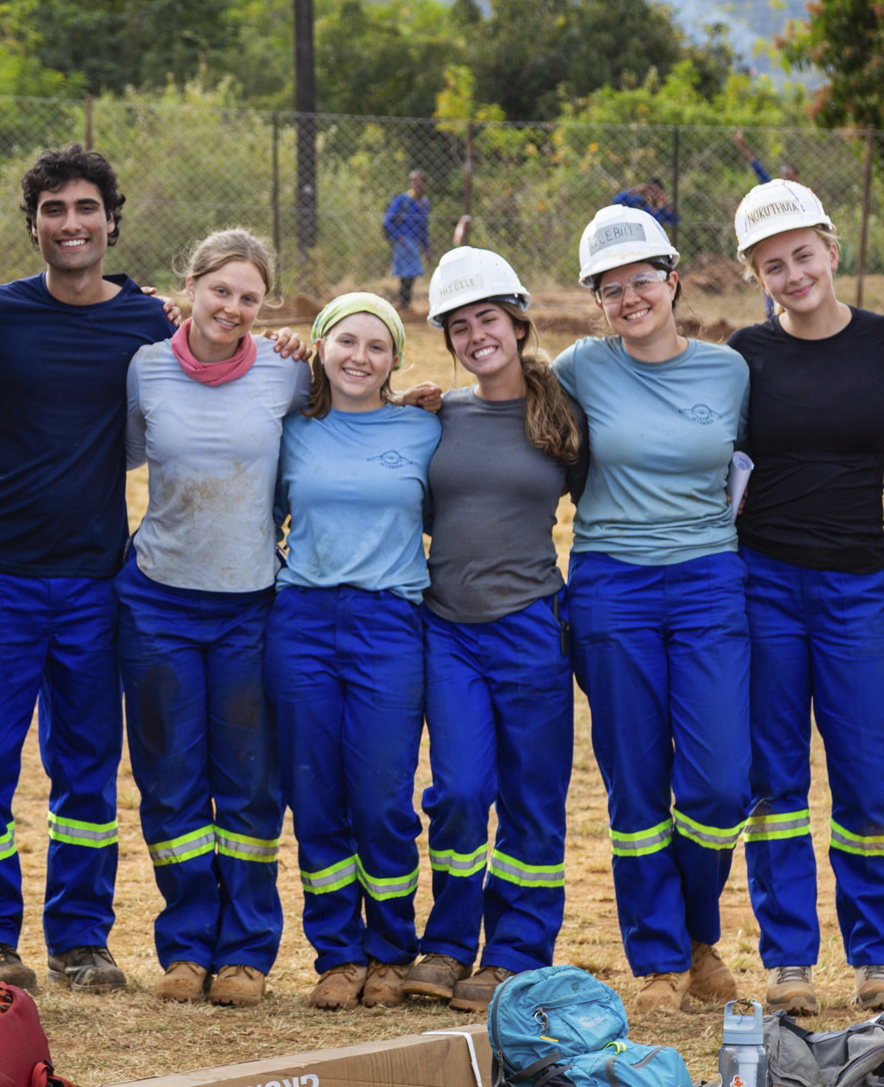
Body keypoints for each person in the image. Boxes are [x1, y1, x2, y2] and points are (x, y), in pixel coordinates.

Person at [0, 145, 178, 994]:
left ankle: (82, 939)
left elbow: (225, 364)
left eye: (86, 208)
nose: (71, 223)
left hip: (95, 578)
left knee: (86, 763)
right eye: (53, 210)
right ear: (33, 225)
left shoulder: (150, 322)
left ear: (111, 221)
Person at [725, 181, 884, 1016]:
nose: (794, 272)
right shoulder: (745, 353)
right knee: (773, 779)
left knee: (871, 775)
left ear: (832, 249)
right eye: (774, 263)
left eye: (805, 253)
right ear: (756, 274)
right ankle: (789, 961)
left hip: (854, 588)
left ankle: (879, 953)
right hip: (762, 581)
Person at [555, 206, 751, 1014]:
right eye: (612, 286)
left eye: (643, 279)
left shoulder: (728, 371)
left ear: (674, 279)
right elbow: (503, 403)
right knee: (635, 781)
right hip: (611, 583)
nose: (630, 296)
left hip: (708, 577)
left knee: (718, 784)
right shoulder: (577, 367)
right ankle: (663, 959)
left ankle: (699, 927)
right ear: (597, 299)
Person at [120, 229, 309, 1009]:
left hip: (250, 606)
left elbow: (355, 413)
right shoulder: (146, 367)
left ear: (264, 306)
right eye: (220, 290)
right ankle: (187, 945)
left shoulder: (288, 372)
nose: (232, 307)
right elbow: (126, 454)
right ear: (189, 286)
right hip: (160, 598)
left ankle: (246, 951)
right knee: (170, 778)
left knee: (249, 782)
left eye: (249, 297)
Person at [397, 247, 588, 1013]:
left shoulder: (562, 417)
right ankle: (446, 941)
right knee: (462, 789)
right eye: (459, 324)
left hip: (532, 628)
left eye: (488, 319)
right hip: (449, 631)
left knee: (532, 796)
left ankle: (515, 950)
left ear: (516, 321)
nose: (477, 335)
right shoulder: (435, 417)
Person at [269, 292, 442, 1011]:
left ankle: (391, 950)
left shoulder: (426, 427)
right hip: (302, 617)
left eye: (378, 345)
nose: (360, 357)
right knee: (316, 795)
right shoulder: (290, 426)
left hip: (389, 620)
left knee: (381, 796)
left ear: (396, 359)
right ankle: (337, 951)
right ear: (320, 345)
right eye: (346, 341)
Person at [383, 170, 432, 310]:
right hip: (404, 241)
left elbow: (424, 227)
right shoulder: (403, 199)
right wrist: (399, 237)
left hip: (416, 243)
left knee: (412, 273)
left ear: (425, 183)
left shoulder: (424, 203)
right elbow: (388, 220)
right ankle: (404, 303)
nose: (416, 184)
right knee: (406, 273)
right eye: (413, 181)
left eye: (419, 181)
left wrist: (427, 248)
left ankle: (405, 302)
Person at [611, 179, 680, 228]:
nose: (653, 194)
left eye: (656, 191)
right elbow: (616, 200)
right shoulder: (639, 202)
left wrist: (666, 203)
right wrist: (634, 190)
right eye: (651, 190)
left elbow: (675, 222)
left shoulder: (663, 211)